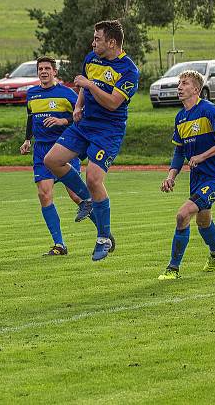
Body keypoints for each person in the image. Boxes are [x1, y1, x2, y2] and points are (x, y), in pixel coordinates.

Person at [44, 20, 140, 261]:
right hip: (85, 123)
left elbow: (112, 102)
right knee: (52, 160)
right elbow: (85, 90)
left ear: (112, 42)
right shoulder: (91, 59)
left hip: (108, 130)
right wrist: (78, 105)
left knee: (94, 178)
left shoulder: (129, 71)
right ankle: (86, 199)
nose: (93, 43)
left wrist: (87, 84)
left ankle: (104, 238)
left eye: (97, 39)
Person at [158, 70, 215, 280]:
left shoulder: (208, 110)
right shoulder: (180, 117)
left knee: (182, 214)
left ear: (196, 89)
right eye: (179, 83)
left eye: (184, 83)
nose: (179, 87)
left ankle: (172, 269)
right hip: (198, 179)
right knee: (203, 222)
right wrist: (170, 176)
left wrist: (202, 156)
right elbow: (179, 152)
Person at [19, 57, 86, 256]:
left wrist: (61, 120)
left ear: (54, 72)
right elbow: (31, 118)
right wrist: (27, 140)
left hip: (63, 149)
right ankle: (59, 244)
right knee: (44, 194)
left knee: (77, 196)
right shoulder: (32, 94)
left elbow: (80, 117)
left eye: (47, 68)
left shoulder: (67, 94)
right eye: (40, 69)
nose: (44, 71)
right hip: (41, 151)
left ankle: (104, 233)